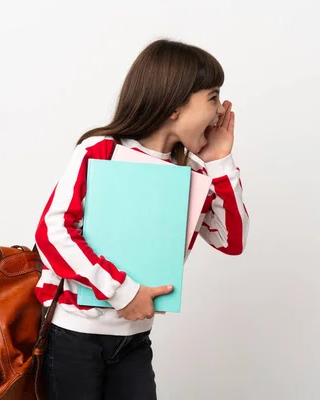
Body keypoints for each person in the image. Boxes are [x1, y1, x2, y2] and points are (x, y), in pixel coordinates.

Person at [34, 38, 250, 400]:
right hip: (73, 336)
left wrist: (219, 162)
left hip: (133, 341)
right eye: (212, 97)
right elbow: (53, 233)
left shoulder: (194, 174)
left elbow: (231, 241)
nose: (219, 112)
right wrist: (124, 291)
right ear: (174, 106)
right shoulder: (101, 150)